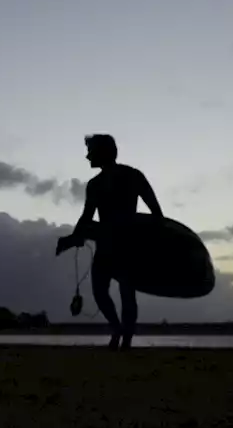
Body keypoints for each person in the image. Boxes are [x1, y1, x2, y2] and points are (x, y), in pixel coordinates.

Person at [55, 134, 163, 350]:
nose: (87, 157)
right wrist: (73, 239)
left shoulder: (131, 176)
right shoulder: (97, 184)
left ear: (103, 152)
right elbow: (87, 217)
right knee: (102, 292)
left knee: (123, 293)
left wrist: (155, 243)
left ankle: (124, 338)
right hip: (110, 244)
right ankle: (119, 332)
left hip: (125, 244)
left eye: (91, 151)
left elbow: (156, 213)